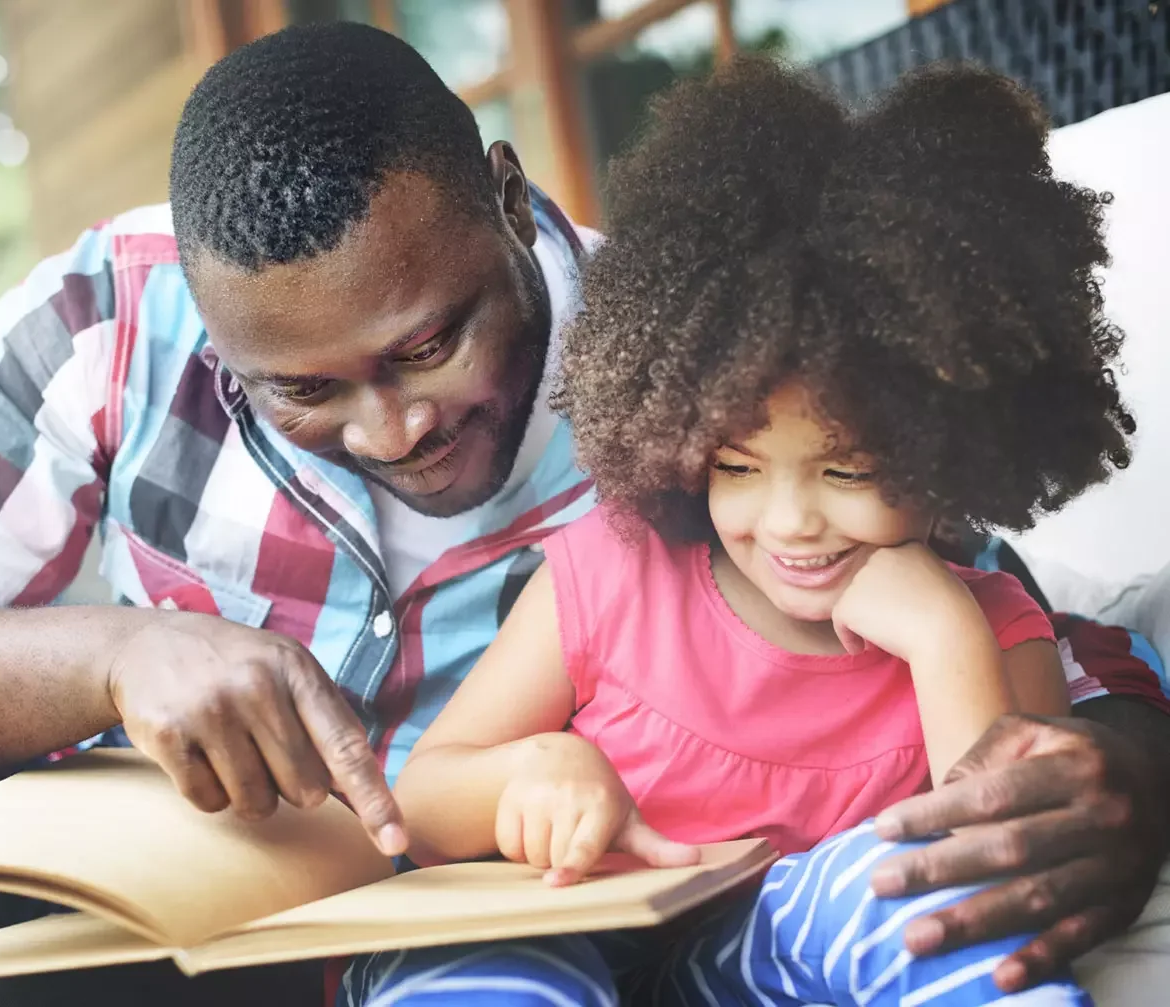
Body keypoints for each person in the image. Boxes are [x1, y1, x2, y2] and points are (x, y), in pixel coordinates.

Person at [0, 22, 1164, 1007]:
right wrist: (111, 655)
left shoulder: (704, 364)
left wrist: (1117, 767)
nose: (392, 426)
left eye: (430, 344)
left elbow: (1018, 634)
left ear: (508, 203)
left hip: (444, 932)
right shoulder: (109, 318)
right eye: (301, 389)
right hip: (133, 884)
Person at [342, 60, 1157, 1007]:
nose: (790, 520)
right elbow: (422, 806)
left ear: (956, 449)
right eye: (736, 465)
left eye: (847, 470)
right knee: (457, 962)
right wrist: (536, 770)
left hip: (766, 960)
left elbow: (993, 876)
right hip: (571, 933)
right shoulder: (610, 574)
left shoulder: (991, 628)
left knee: (899, 896)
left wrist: (943, 637)